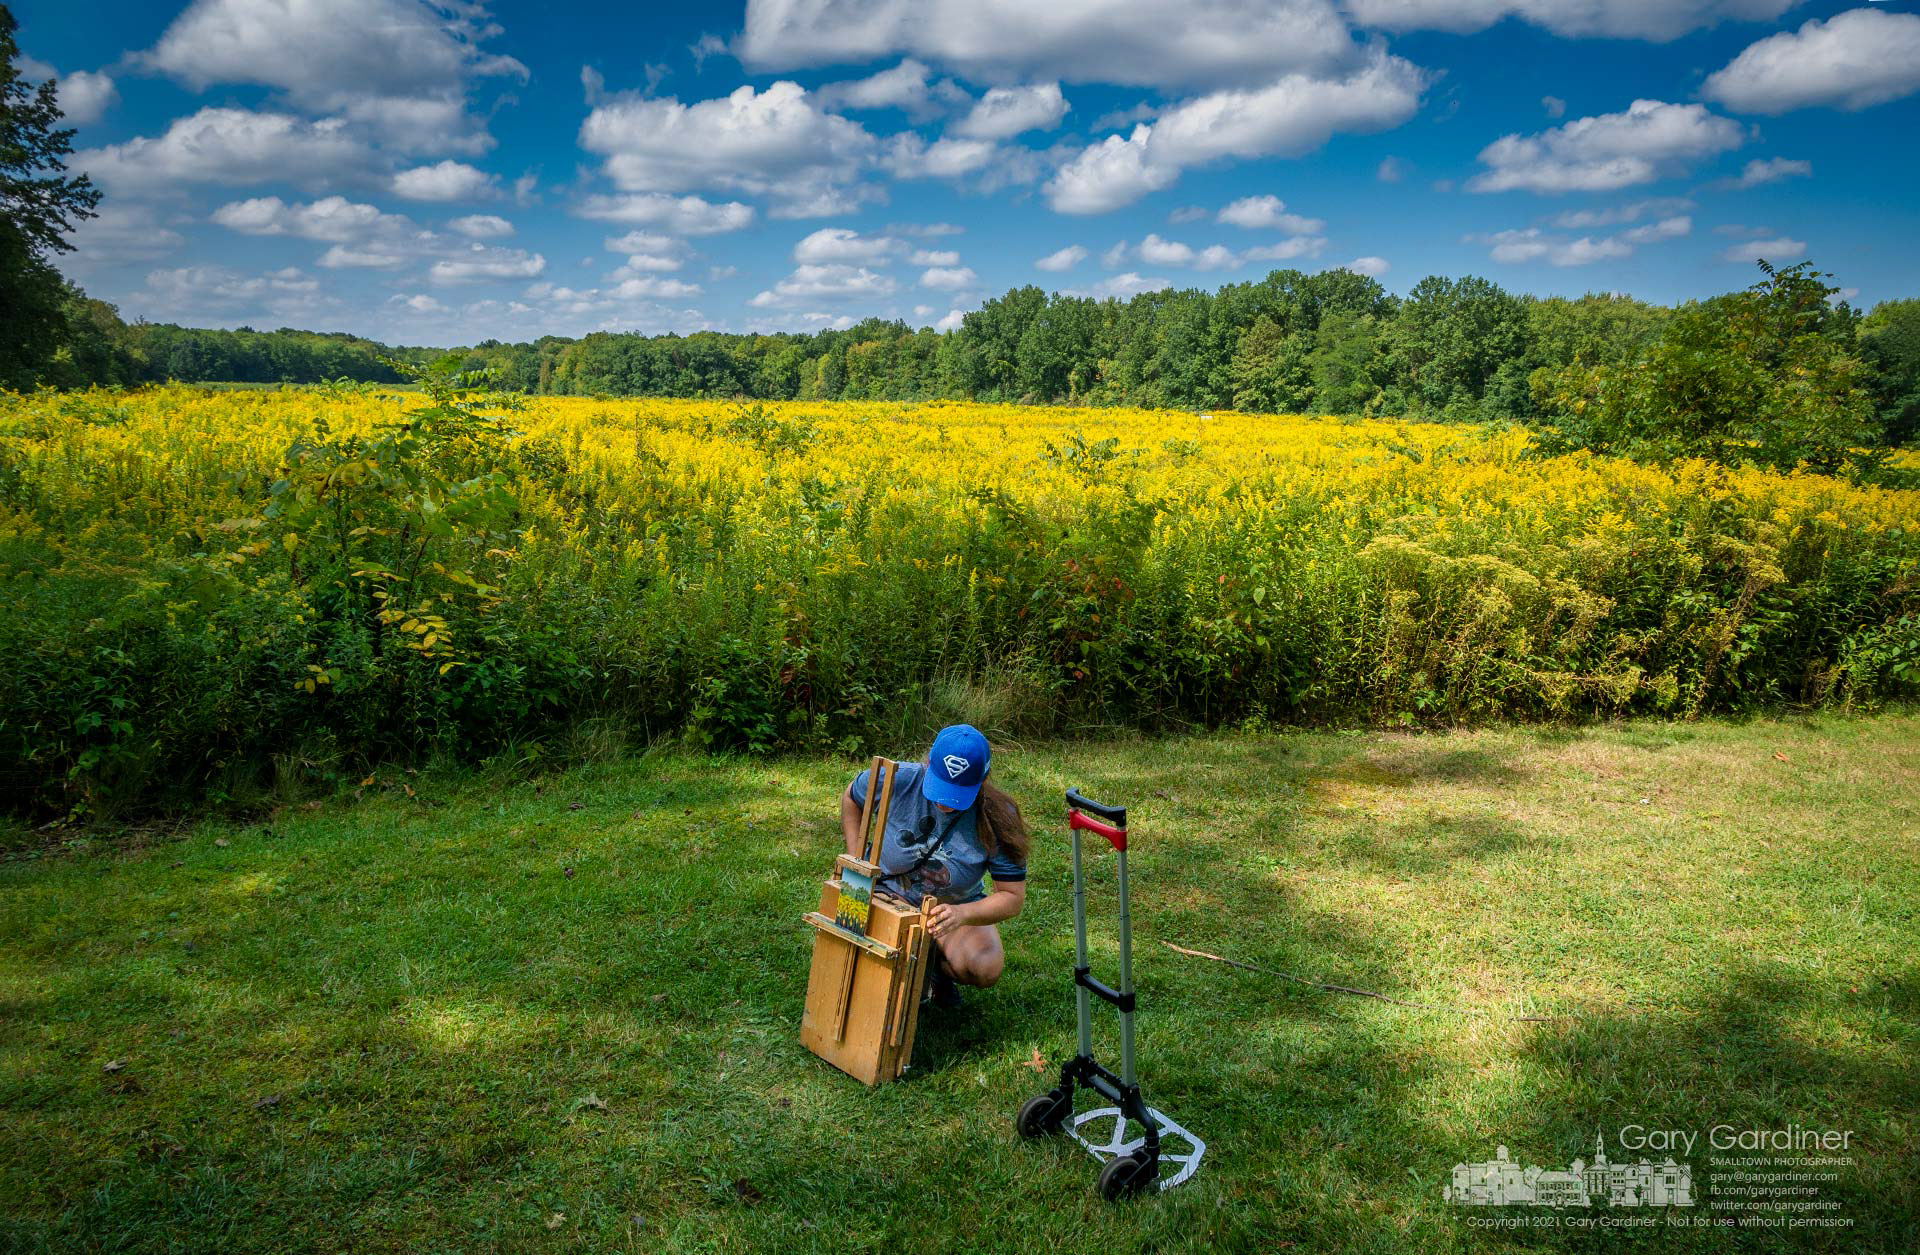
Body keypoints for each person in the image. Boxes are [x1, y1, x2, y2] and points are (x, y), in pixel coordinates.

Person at [840, 724, 1030, 1008]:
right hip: (882, 893)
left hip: (945, 911)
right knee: (860, 982)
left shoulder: (1000, 816)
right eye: (940, 788)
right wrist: (857, 859)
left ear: (982, 781)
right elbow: (851, 798)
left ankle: (934, 972)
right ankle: (910, 969)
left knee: (985, 966)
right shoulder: (895, 778)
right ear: (928, 764)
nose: (944, 803)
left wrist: (961, 914)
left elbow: (1012, 899)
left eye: (957, 794)